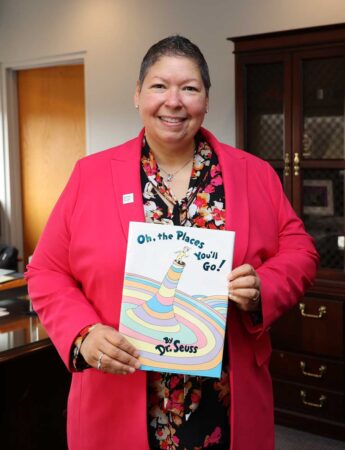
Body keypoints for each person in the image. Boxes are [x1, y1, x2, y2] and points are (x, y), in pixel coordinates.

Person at [25, 35, 319, 450]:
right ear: (138, 95)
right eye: (159, 86)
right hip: (119, 395)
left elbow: (301, 251)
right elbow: (45, 270)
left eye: (190, 88)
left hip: (224, 404)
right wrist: (82, 334)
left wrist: (262, 289)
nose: (174, 101)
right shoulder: (89, 176)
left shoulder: (253, 174)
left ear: (207, 100)